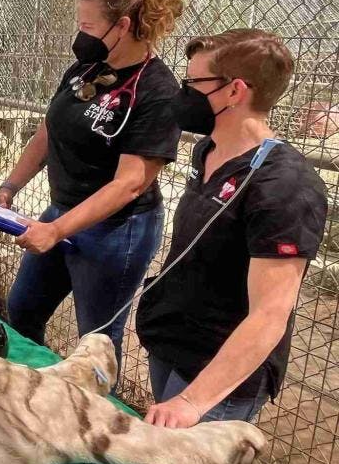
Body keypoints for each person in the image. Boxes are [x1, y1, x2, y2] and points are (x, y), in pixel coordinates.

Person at [0, 0, 185, 369]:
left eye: (87, 26)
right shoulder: (85, 68)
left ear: (124, 26)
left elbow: (130, 183)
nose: (80, 35)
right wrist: (11, 185)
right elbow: (48, 131)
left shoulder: (157, 91)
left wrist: (56, 231)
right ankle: (33, 387)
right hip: (64, 209)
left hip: (117, 228)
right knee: (23, 307)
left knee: (96, 342)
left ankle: (90, 416)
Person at [138, 29, 326, 427]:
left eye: (193, 83)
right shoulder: (207, 149)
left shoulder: (285, 185)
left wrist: (192, 401)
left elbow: (271, 313)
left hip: (215, 373)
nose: (182, 93)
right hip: (172, 341)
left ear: (234, 91)